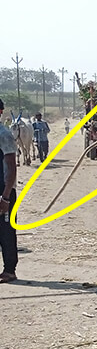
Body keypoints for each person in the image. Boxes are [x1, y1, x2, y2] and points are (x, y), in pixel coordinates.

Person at [0, 99, 18, 283]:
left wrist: (5, 197)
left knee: (6, 232)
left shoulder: (4, 135)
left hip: (3, 191)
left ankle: (9, 270)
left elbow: (11, 168)